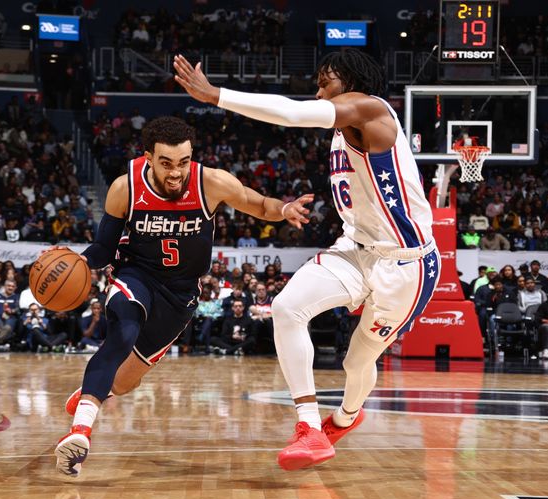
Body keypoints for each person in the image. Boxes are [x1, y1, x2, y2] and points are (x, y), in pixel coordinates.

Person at [174, 48, 438, 470]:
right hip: (356, 249)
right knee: (286, 307)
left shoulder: (371, 110)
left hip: (406, 264)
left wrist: (217, 95)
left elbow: (292, 114)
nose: (317, 91)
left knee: (358, 360)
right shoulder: (342, 128)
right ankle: (310, 429)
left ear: (350, 81)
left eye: (324, 82)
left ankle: (347, 417)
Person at [53, 116, 312, 477]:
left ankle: (95, 388)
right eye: (166, 163)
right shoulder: (124, 188)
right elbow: (103, 248)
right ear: (147, 158)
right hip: (136, 274)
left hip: (181, 293)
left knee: (125, 382)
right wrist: (79, 261)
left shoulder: (211, 183)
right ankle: (80, 430)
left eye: (183, 162)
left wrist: (284, 210)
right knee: (122, 334)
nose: (176, 172)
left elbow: (259, 204)